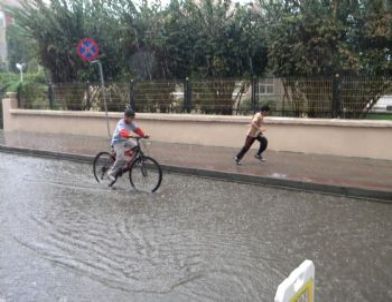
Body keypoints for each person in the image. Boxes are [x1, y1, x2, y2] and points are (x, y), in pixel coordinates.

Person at [108, 108, 147, 181]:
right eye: (130, 118)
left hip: (126, 139)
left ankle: (130, 162)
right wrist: (127, 135)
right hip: (117, 141)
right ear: (125, 116)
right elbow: (122, 131)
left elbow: (137, 130)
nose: (132, 119)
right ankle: (111, 173)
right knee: (121, 158)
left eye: (133, 118)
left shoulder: (131, 123)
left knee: (136, 147)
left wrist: (143, 135)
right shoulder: (121, 123)